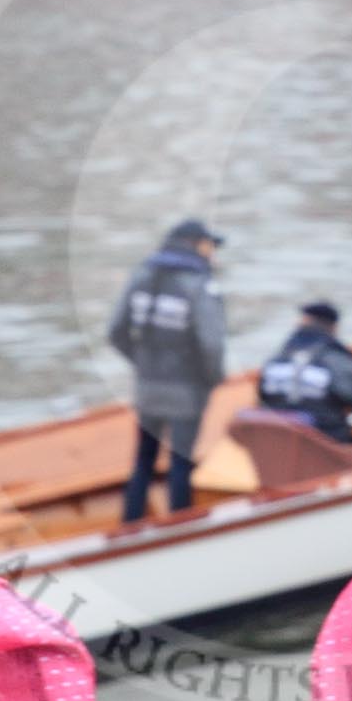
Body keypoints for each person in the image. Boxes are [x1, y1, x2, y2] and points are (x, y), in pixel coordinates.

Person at [107, 218, 227, 523]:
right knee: (181, 460)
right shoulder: (200, 281)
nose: (212, 252)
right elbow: (211, 343)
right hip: (186, 390)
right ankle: (181, 527)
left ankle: (129, 527)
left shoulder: (143, 274)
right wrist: (211, 379)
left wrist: (144, 364)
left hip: (147, 388)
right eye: (209, 245)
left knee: (143, 460)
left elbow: (116, 331)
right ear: (196, 244)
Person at [257, 300, 352, 442]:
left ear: (302, 324)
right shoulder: (332, 359)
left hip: (277, 447)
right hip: (324, 450)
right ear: (334, 328)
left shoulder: (275, 360)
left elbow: (263, 400)